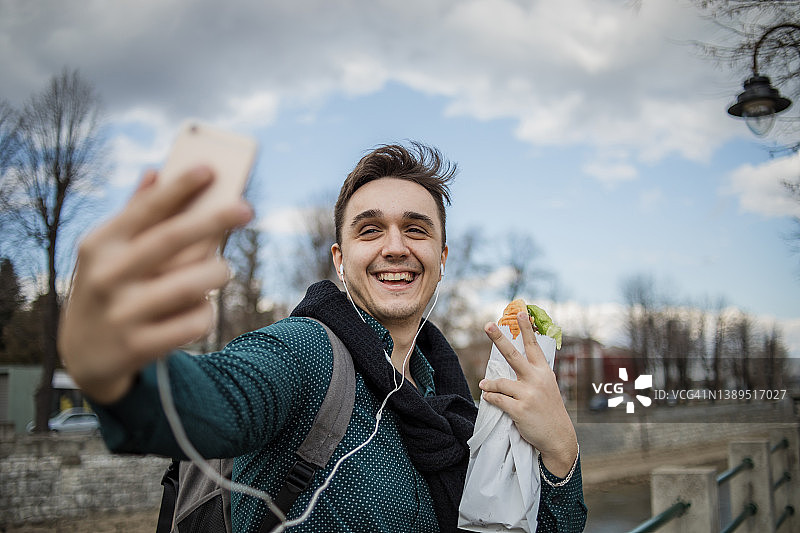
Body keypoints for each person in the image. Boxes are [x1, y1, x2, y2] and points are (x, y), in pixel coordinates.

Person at [58, 142, 587, 532]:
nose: (395, 247)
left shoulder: (450, 403)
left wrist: (561, 451)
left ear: (442, 257)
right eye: (370, 229)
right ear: (339, 259)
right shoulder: (306, 353)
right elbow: (211, 402)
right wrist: (117, 361)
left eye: (417, 229)